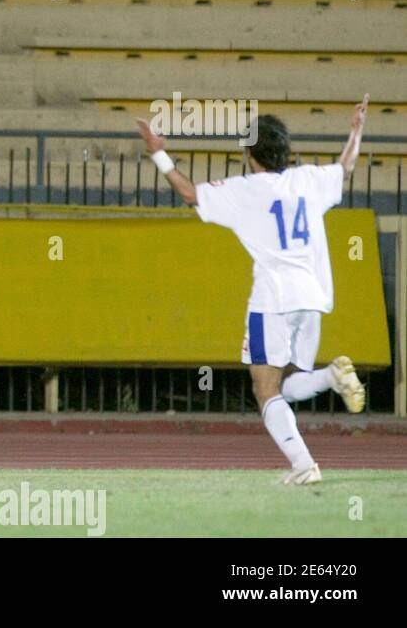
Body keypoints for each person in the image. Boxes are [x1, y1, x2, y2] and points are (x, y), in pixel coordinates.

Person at [136, 97, 370, 485]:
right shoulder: (309, 179)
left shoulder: (247, 189)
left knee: (265, 390)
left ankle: (303, 465)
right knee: (289, 383)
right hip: (311, 297)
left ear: (250, 153)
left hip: (273, 299)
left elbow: (191, 194)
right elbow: (345, 168)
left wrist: (160, 155)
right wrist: (356, 130)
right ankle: (331, 376)